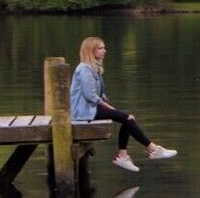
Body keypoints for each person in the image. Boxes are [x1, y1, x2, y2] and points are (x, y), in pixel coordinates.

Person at [70, 36, 178, 172]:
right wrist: (110, 108)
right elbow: (90, 95)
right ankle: (151, 149)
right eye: (100, 48)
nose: (104, 51)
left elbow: (100, 94)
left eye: (104, 48)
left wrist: (112, 109)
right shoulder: (84, 69)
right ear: (91, 51)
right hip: (83, 111)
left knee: (128, 118)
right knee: (127, 117)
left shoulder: (94, 68)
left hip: (91, 109)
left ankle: (124, 155)